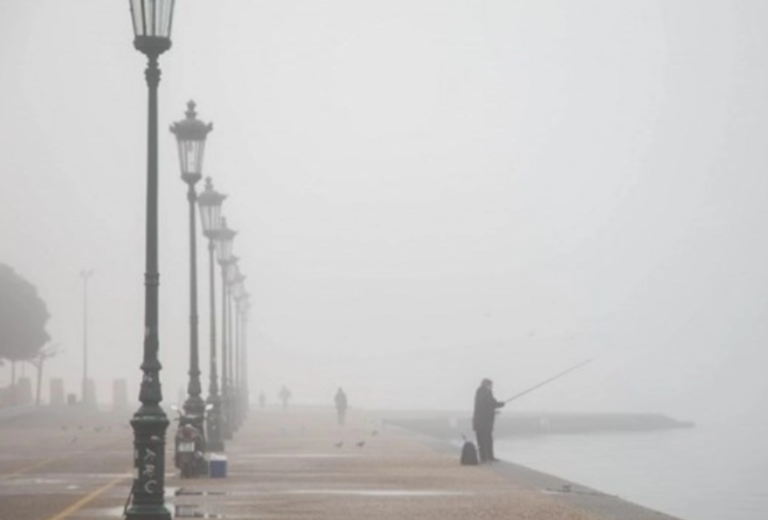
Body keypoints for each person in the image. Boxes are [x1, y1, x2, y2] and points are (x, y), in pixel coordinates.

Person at [473, 378, 505, 463]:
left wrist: (494, 410)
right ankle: (489, 457)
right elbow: (491, 403)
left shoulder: (479, 392)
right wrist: (500, 404)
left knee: (481, 440)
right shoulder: (486, 392)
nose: (492, 387)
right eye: (491, 385)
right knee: (487, 440)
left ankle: (484, 457)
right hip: (485, 423)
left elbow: (485, 406)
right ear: (487, 385)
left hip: (479, 421)